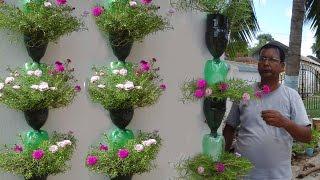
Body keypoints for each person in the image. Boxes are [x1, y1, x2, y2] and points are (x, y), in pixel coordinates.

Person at [223, 43, 312, 180]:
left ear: (282, 67)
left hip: (277, 176)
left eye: (272, 59)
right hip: (242, 175)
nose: (265, 63)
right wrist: (223, 158)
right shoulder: (244, 93)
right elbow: (230, 127)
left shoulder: (291, 96)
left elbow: (307, 136)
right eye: (262, 58)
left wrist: (285, 123)